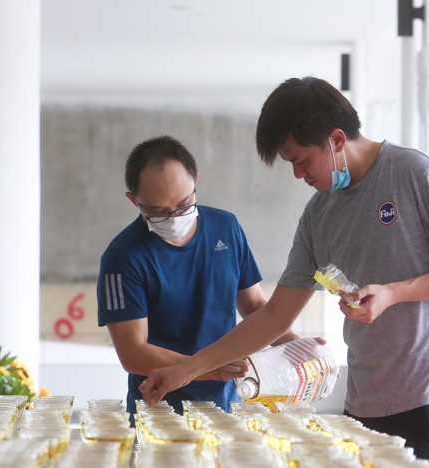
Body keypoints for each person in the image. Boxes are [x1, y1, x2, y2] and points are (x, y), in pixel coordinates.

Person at [141, 78, 429, 468]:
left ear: (337, 139)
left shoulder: (414, 173)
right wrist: (184, 370)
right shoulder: (318, 215)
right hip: (364, 402)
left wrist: (394, 293)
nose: (298, 174)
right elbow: (274, 317)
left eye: (302, 160)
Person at [98, 136, 297, 417]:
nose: (175, 218)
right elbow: (132, 351)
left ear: (195, 181)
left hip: (227, 405)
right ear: (134, 200)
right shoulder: (123, 257)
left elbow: (254, 307)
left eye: (184, 204)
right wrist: (206, 368)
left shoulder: (225, 227)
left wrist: (297, 348)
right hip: (159, 411)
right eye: (158, 212)